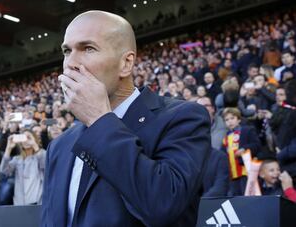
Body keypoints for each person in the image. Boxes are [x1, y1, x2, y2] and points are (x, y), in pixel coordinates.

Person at [41, 11, 211, 227]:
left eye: (88, 49)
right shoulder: (59, 145)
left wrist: (99, 120)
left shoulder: (184, 118)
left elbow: (162, 206)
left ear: (126, 64)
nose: (70, 63)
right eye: (67, 51)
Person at [0, 129, 46, 205]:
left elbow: (46, 166)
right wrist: (8, 148)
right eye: (23, 138)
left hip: (38, 202)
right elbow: (4, 171)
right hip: (20, 203)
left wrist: (34, 144)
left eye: (28, 137)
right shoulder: (17, 159)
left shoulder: (41, 154)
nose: (26, 140)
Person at [221, 107, 261, 196]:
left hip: (245, 171)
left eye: (232, 118)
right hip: (232, 174)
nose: (229, 121)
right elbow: (223, 154)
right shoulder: (226, 137)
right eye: (226, 120)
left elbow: (257, 145)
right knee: (236, 198)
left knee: (247, 196)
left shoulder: (247, 130)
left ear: (239, 119)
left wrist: (244, 149)